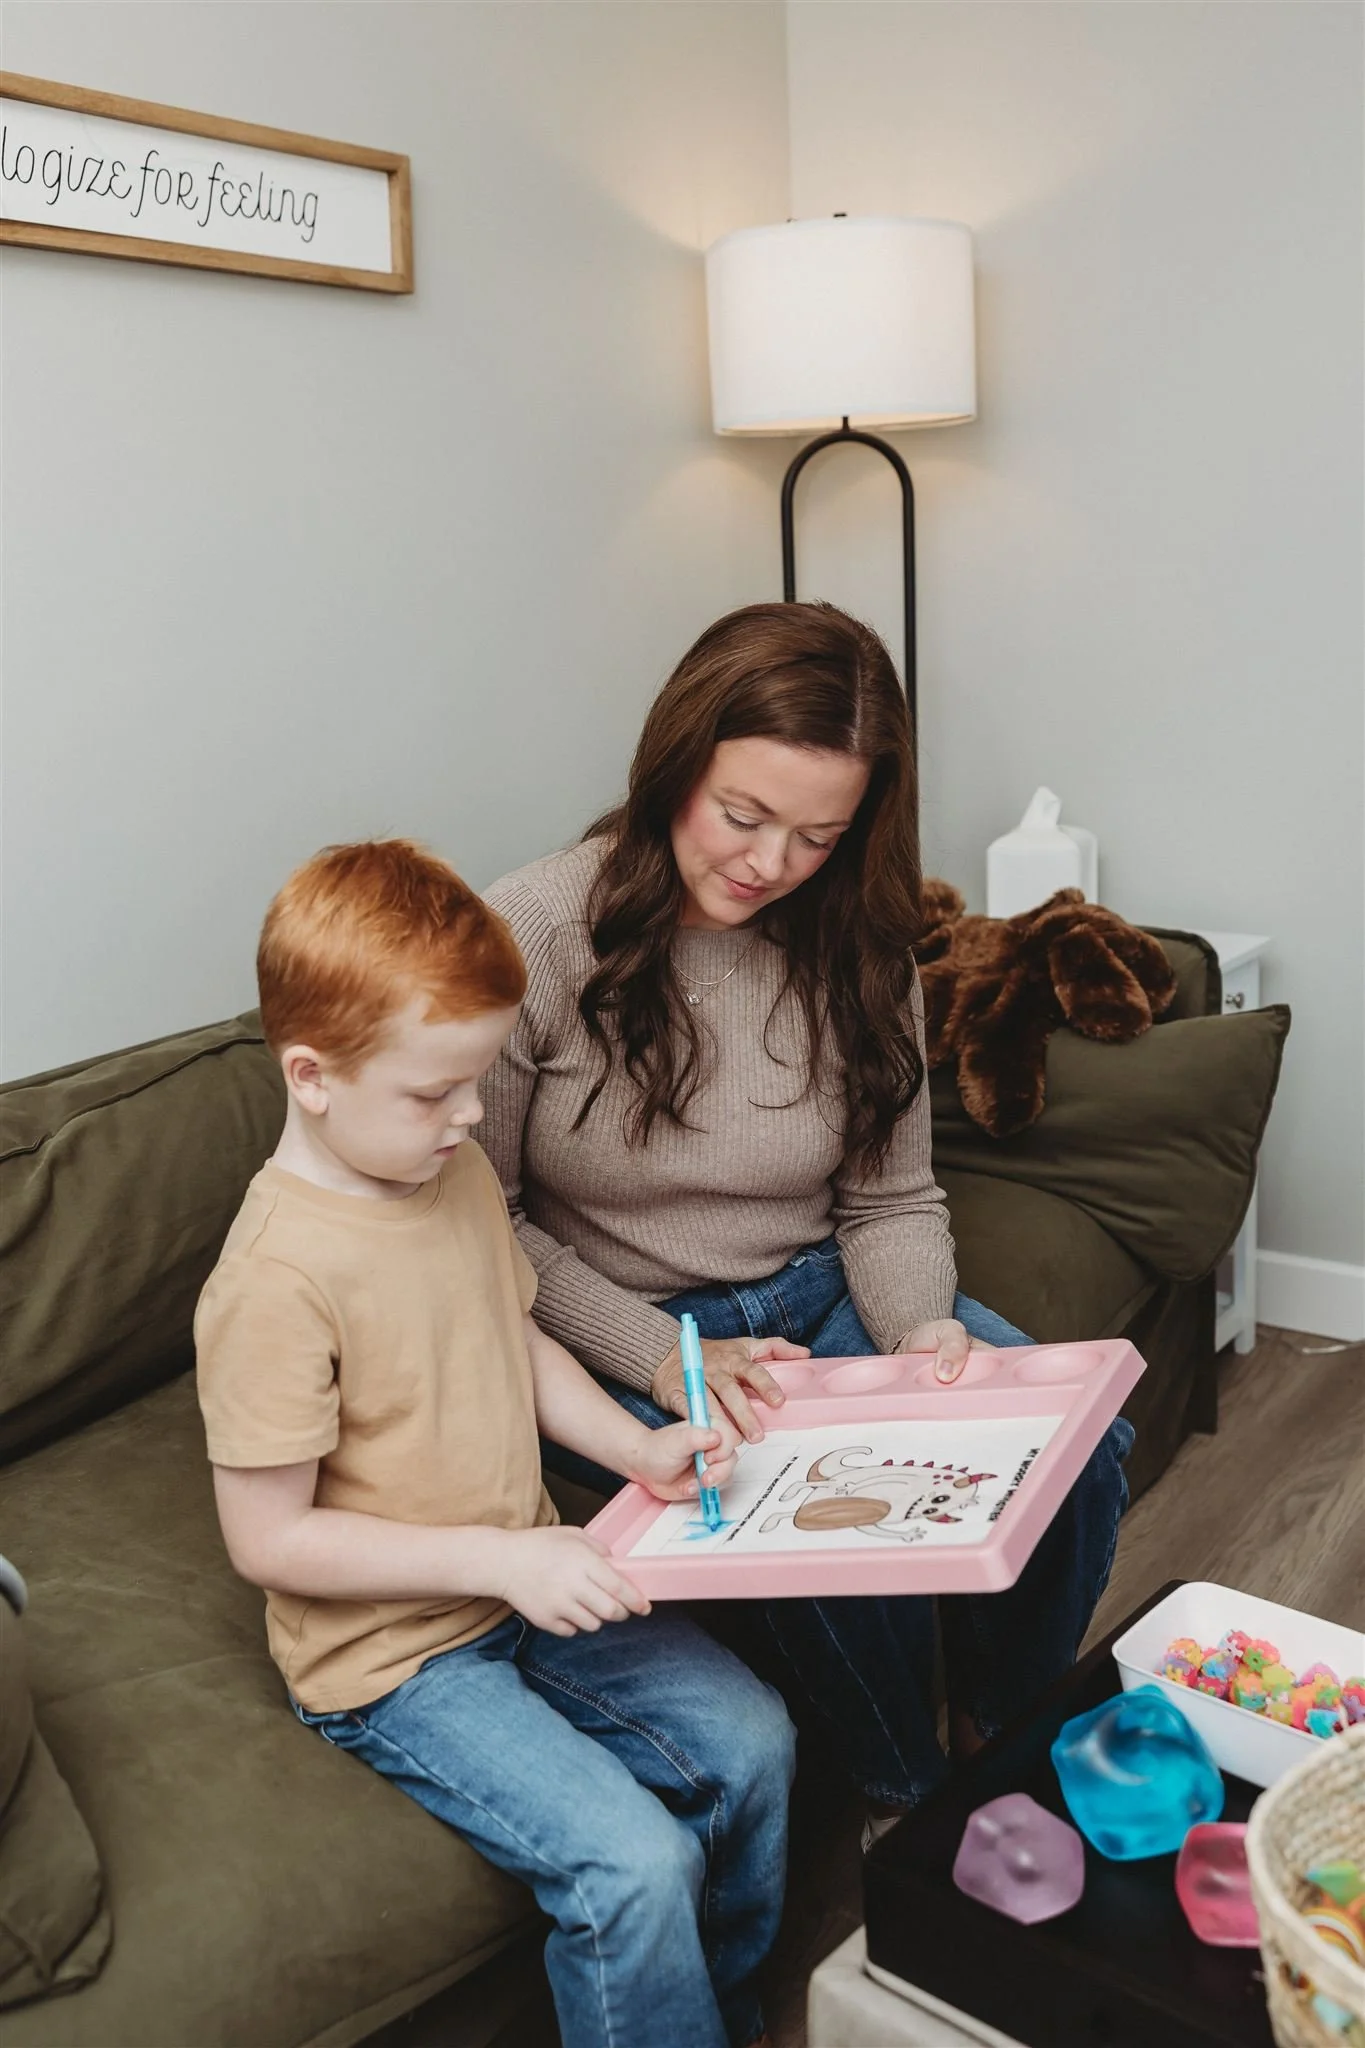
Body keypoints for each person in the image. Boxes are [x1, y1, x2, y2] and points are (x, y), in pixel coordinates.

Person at [483, 600, 1135, 1832]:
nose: (770, 863)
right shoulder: (535, 929)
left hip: (821, 1293)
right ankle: (910, 1800)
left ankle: (997, 1726)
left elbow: (890, 1193)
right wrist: (669, 1360)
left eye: (817, 834)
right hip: (623, 1325)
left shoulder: (864, 943)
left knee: (1079, 1451)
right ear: (676, 761)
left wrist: (916, 1331)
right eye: (742, 815)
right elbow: (486, 1223)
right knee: (840, 1519)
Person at [194, 839, 794, 2048]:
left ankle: (713, 2015)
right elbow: (269, 1537)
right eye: (434, 1091)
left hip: (524, 1580)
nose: (472, 1115)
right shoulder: (272, 1281)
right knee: (629, 1863)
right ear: (311, 1074)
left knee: (756, 1741)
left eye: (475, 1081)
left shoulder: (451, 1173)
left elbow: (515, 1340)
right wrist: (504, 1560)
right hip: (395, 1663)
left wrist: (635, 1451)